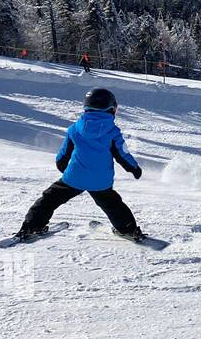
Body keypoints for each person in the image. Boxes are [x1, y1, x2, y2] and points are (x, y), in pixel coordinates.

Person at [13, 88, 145, 241]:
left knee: (49, 199)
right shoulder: (112, 132)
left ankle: (31, 227)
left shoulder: (75, 128)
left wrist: (62, 167)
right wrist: (134, 168)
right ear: (111, 109)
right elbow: (123, 154)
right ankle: (128, 230)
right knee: (113, 205)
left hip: (74, 177)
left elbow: (63, 154)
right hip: (100, 181)